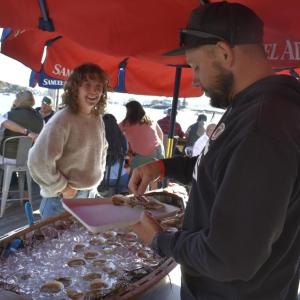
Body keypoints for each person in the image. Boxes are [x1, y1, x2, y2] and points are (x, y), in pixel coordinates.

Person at [129, 2, 300, 300]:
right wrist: (164, 167)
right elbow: (225, 168)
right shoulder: (253, 108)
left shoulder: (264, 125)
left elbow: (230, 257)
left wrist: (160, 240)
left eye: (196, 66)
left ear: (224, 52)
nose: (194, 80)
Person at [28, 63, 108, 219]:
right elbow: (37, 161)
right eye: (87, 85)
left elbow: (102, 150)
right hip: (63, 201)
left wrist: (96, 179)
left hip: (89, 195)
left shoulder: (97, 118)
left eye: (99, 86)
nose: (94, 91)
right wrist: (62, 187)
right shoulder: (62, 120)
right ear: (75, 88)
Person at [120, 100, 164, 171]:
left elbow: (115, 131)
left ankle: (131, 176)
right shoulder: (150, 120)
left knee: (127, 161)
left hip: (141, 158)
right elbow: (160, 134)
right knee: (154, 176)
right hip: (159, 152)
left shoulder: (125, 124)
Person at [1, 90, 43, 160]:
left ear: (18, 101)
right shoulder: (41, 119)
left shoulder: (8, 115)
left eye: (16, 99)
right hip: (29, 157)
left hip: (8, 157)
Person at [102, 113, 129, 193]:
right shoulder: (123, 139)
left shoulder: (98, 140)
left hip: (103, 179)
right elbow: (126, 156)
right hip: (121, 178)